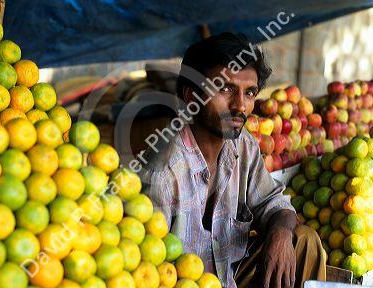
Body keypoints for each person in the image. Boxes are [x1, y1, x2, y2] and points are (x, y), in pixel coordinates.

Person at [139, 33, 326, 288]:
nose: (240, 105)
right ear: (192, 96)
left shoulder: (242, 144)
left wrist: (281, 234)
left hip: (231, 277)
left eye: (249, 93)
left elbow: (273, 202)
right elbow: (146, 269)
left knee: (303, 239)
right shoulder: (162, 174)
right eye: (225, 89)